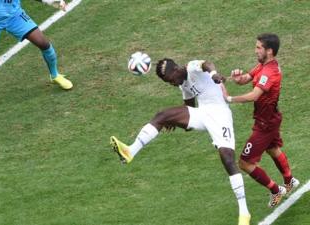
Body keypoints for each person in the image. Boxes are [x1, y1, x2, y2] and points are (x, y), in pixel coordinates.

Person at [110, 58, 251, 225]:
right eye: (168, 82)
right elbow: (189, 110)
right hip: (203, 113)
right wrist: (175, 120)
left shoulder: (191, 67)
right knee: (162, 116)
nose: (172, 83)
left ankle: (244, 212)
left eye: (171, 79)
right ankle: (130, 151)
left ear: (176, 69)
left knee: (227, 159)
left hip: (220, 114)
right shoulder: (183, 85)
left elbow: (207, 64)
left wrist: (213, 74)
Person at [226, 33, 299, 207]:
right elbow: (246, 79)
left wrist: (229, 99)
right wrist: (238, 78)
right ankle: (289, 181)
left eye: (259, 47)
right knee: (273, 148)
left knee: (244, 162)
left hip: (265, 124)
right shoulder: (263, 66)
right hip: (271, 119)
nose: (255, 50)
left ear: (269, 51)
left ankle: (275, 190)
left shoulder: (270, 72)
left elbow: (254, 95)